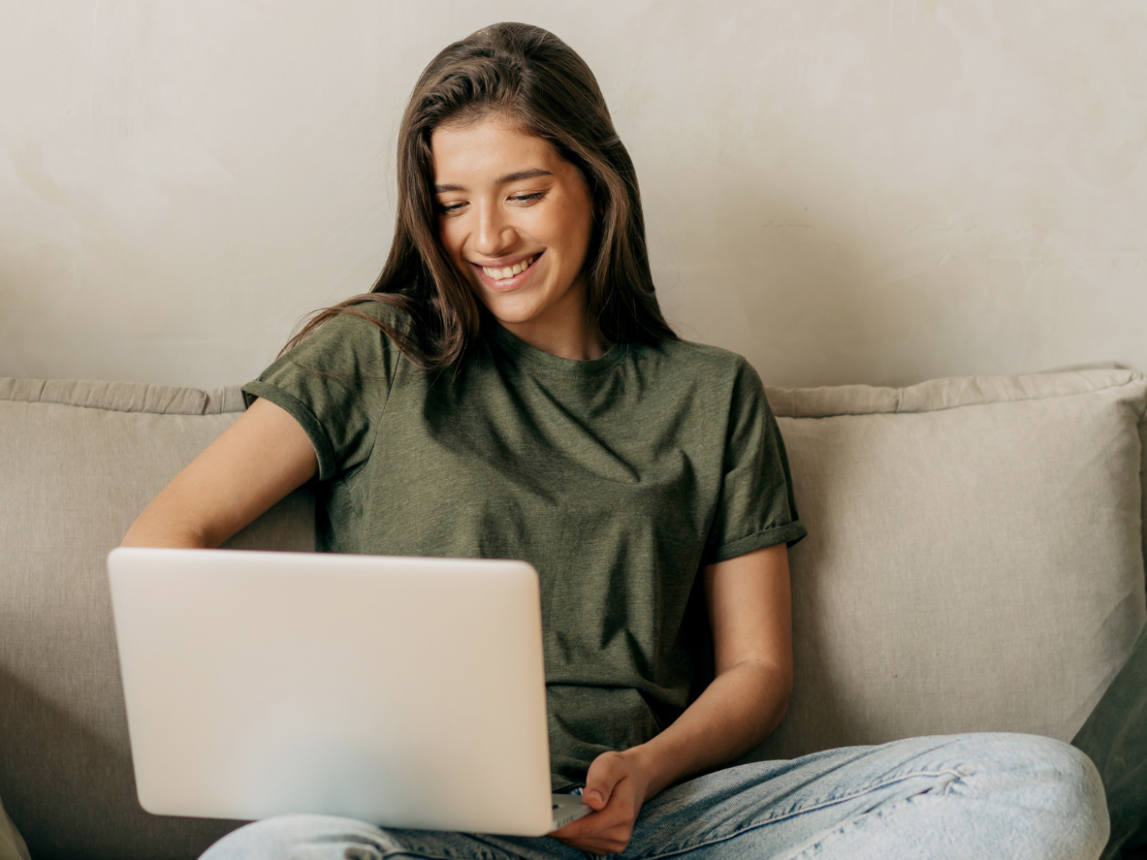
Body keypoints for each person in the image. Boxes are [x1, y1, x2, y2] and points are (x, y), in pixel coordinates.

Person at [122, 22, 1110, 860]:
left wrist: (645, 769)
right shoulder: (372, 354)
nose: (486, 237)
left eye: (522, 190)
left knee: (1042, 784)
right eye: (454, 200)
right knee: (274, 852)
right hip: (425, 827)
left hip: (661, 821)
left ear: (595, 182)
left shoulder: (712, 393)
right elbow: (166, 541)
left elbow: (756, 669)